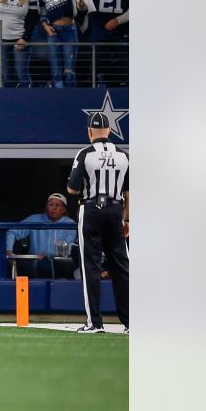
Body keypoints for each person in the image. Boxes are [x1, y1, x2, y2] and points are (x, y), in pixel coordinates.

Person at [66, 111, 129, 334]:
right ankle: (131, 321)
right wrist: (127, 218)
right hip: (115, 209)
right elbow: (129, 191)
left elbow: (72, 188)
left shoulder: (85, 154)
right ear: (110, 131)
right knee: (121, 266)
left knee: (90, 266)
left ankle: (95, 322)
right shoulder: (124, 155)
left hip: (92, 208)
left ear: (89, 131)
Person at [76, 0, 128, 87]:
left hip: (119, 34)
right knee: (95, 69)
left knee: (118, 73)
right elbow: (83, 2)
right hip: (99, 34)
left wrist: (118, 20)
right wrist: (81, 3)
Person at [5, 193, 77, 279]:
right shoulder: (34, 219)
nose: (54, 208)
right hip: (35, 264)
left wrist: (47, 255)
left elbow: (67, 250)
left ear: (64, 210)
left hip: (58, 265)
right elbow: (12, 232)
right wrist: (8, 249)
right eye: (51, 204)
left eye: (57, 205)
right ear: (47, 207)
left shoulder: (70, 224)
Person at [36, 0, 78, 88]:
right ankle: (59, 100)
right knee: (56, 70)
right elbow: (42, 15)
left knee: (69, 70)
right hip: (54, 33)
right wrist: (46, 27)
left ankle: (71, 99)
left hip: (70, 32)